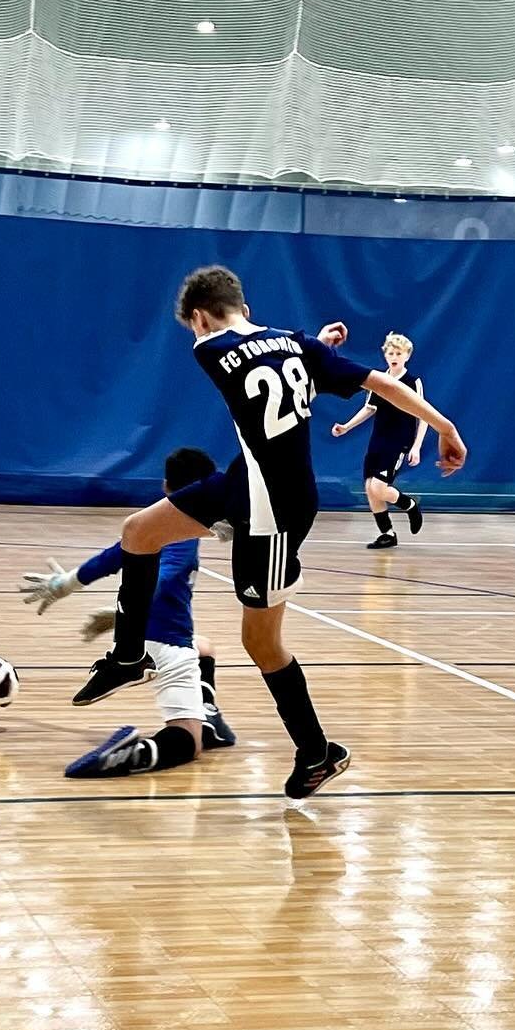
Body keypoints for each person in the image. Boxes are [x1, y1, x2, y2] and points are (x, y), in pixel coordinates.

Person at [71, 266, 467, 799]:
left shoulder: (208, 348)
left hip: (274, 511)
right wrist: (443, 426)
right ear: (246, 307)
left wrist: (308, 345)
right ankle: (127, 656)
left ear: (198, 318)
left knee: (260, 641)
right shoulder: (295, 346)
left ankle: (317, 752)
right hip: (245, 481)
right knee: (139, 531)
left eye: (194, 326)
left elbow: (243, 349)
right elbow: (379, 383)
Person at [21, 447, 237, 777]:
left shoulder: (150, 525)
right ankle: (130, 753)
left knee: (204, 646)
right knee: (187, 742)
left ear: (166, 486)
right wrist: (126, 616)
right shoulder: (184, 535)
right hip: (166, 643)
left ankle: (206, 711)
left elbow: (111, 556)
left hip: (153, 638)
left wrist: (64, 584)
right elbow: (165, 579)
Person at [331, 332, 427, 549]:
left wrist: (417, 446)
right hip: (378, 441)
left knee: (379, 487)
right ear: (385, 355)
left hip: (398, 441)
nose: (394, 356)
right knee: (369, 487)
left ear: (407, 356)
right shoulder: (380, 380)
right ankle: (387, 533)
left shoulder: (413, 382)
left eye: (398, 353)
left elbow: (424, 416)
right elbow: (369, 408)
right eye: (390, 352)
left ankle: (409, 505)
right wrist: (346, 426)